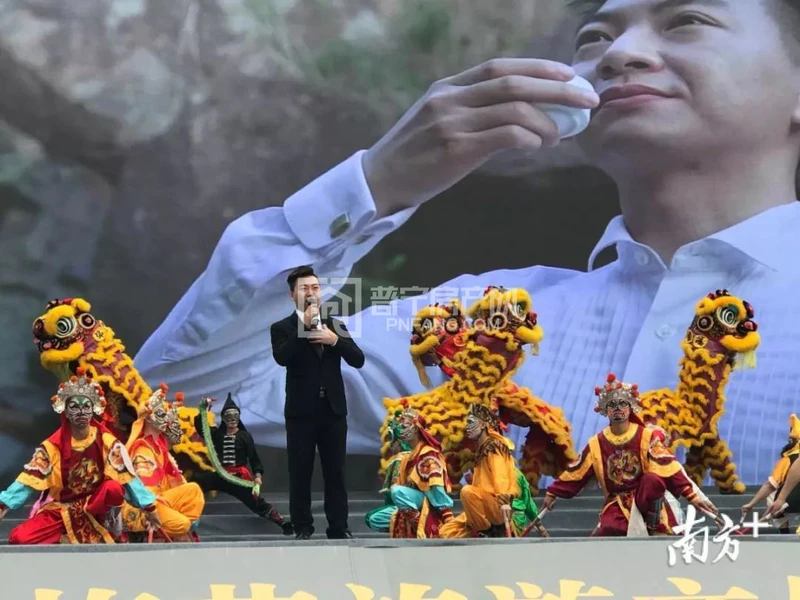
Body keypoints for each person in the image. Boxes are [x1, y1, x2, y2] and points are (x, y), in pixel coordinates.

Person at [135, 0, 800, 486]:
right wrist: (375, 183)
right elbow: (184, 402)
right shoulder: (485, 323)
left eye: (687, 21)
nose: (617, 54)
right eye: (594, 37)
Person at [542, 373, 720, 536]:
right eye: (612, 405)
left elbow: (668, 466)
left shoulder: (647, 436)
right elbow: (576, 472)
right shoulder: (596, 443)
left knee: (653, 480)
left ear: (630, 407)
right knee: (610, 529)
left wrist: (691, 496)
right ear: (605, 410)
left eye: (622, 404)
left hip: (645, 497)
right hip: (617, 503)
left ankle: (653, 522)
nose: (618, 409)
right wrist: (553, 492)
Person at [0, 368, 161, 544]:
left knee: (113, 488)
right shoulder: (53, 446)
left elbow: (127, 477)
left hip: (94, 506)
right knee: (19, 538)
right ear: (66, 411)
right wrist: (3, 505)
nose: (81, 412)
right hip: (62, 510)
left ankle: (108, 525)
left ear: (93, 409)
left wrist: (149, 507)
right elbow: (28, 481)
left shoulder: (106, 441)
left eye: (86, 407)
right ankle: (67, 535)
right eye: (74, 407)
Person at [269, 265, 365, 539]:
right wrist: (304, 327)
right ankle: (303, 526)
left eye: (315, 287)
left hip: (333, 410)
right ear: (292, 295)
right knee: (300, 472)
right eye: (304, 289)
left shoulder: (335, 325)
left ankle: (339, 527)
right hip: (301, 412)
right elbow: (282, 358)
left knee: (336, 472)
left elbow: (358, 359)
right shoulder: (282, 327)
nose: (311, 293)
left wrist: (335, 341)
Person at [193, 393, 293, 535]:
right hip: (220, 475)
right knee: (196, 483)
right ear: (224, 418)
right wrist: (203, 408)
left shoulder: (245, 436)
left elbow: (254, 459)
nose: (232, 419)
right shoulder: (217, 434)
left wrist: (257, 476)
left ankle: (282, 523)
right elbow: (202, 427)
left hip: (238, 478)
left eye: (235, 415)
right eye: (229, 416)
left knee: (256, 502)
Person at [439, 402, 540, 538]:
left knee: (467, 491)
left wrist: (504, 501)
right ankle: (479, 528)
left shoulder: (494, 447)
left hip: (497, 505)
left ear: (482, 425)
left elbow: (501, 477)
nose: (467, 427)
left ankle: (485, 531)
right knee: (446, 532)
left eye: (471, 422)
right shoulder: (482, 448)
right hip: (483, 504)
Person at [121, 384, 205, 542]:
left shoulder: (159, 448)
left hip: (161, 497)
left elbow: (174, 480)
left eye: (165, 415)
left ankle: (177, 527)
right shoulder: (141, 450)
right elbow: (142, 491)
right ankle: (166, 531)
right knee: (182, 524)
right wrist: (153, 506)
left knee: (194, 490)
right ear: (148, 417)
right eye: (160, 414)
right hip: (147, 506)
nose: (165, 419)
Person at [365, 401, 454, 538]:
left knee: (397, 491)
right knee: (375, 519)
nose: (401, 430)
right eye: (400, 427)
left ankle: (422, 526)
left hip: (428, 504)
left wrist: (447, 517)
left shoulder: (428, 454)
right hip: (411, 504)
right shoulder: (407, 457)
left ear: (416, 429)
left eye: (405, 426)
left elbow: (436, 489)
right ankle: (413, 524)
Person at [750, 414, 800, 532]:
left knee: (772, 496)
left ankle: (784, 532)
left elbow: (770, 485)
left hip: (791, 498)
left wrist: (751, 504)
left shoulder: (788, 459)